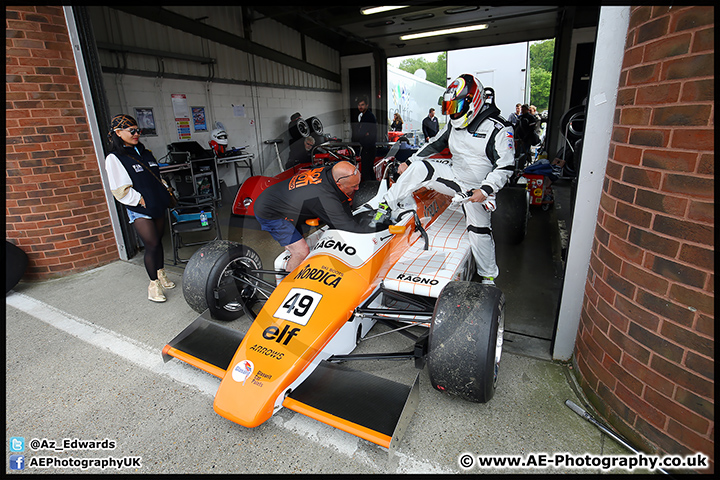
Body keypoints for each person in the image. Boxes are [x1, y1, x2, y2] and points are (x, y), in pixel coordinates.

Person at [373, 74, 515, 285]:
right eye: (449, 107)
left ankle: (488, 276)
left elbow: (506, 166)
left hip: (477, 189)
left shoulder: (499, 129)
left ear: (472, 101)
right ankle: (384, 205)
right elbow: (433, 146)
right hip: (454, 175)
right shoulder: (453, 126)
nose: (452, 112)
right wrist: (409, 163)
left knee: (479, 230)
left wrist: (485, 190)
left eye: (455, 106)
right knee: (420, 167)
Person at [104, 114, 175, 302]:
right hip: (140, 208)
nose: (136, 134)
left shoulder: (145, 152)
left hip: (157, 204)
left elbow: (156, 177)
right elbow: (119, 189)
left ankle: (161, 274)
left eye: (138, 131)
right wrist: (140, 200)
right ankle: (154, 286)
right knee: (151, 244)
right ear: (118, 133)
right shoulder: (114, 158)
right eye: (131, 131)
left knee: (158, 242)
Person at [254, 161, 372, 273]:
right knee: (301, 251)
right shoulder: (322, 196)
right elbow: (344, 227)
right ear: (339, 184)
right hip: (270, 211)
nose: (357, 189)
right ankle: (287, 283)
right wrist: (372, 235)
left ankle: (290, 256)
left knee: (297, 242)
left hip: (283, 198)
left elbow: (343, 202)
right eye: (354, 186)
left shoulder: (330, 172)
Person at [351, 95, 377, 182]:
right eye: (359, 105)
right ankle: (374, 188)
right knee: (369, 170)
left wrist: (362, 133)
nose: (360, 107)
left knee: (366, 171)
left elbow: (361, 133)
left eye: (362, 105)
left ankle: (369, 190)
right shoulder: (365, 116)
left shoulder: (368, 117)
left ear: (367, 105)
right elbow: (362, 133)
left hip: (368, 147)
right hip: (368, 147)